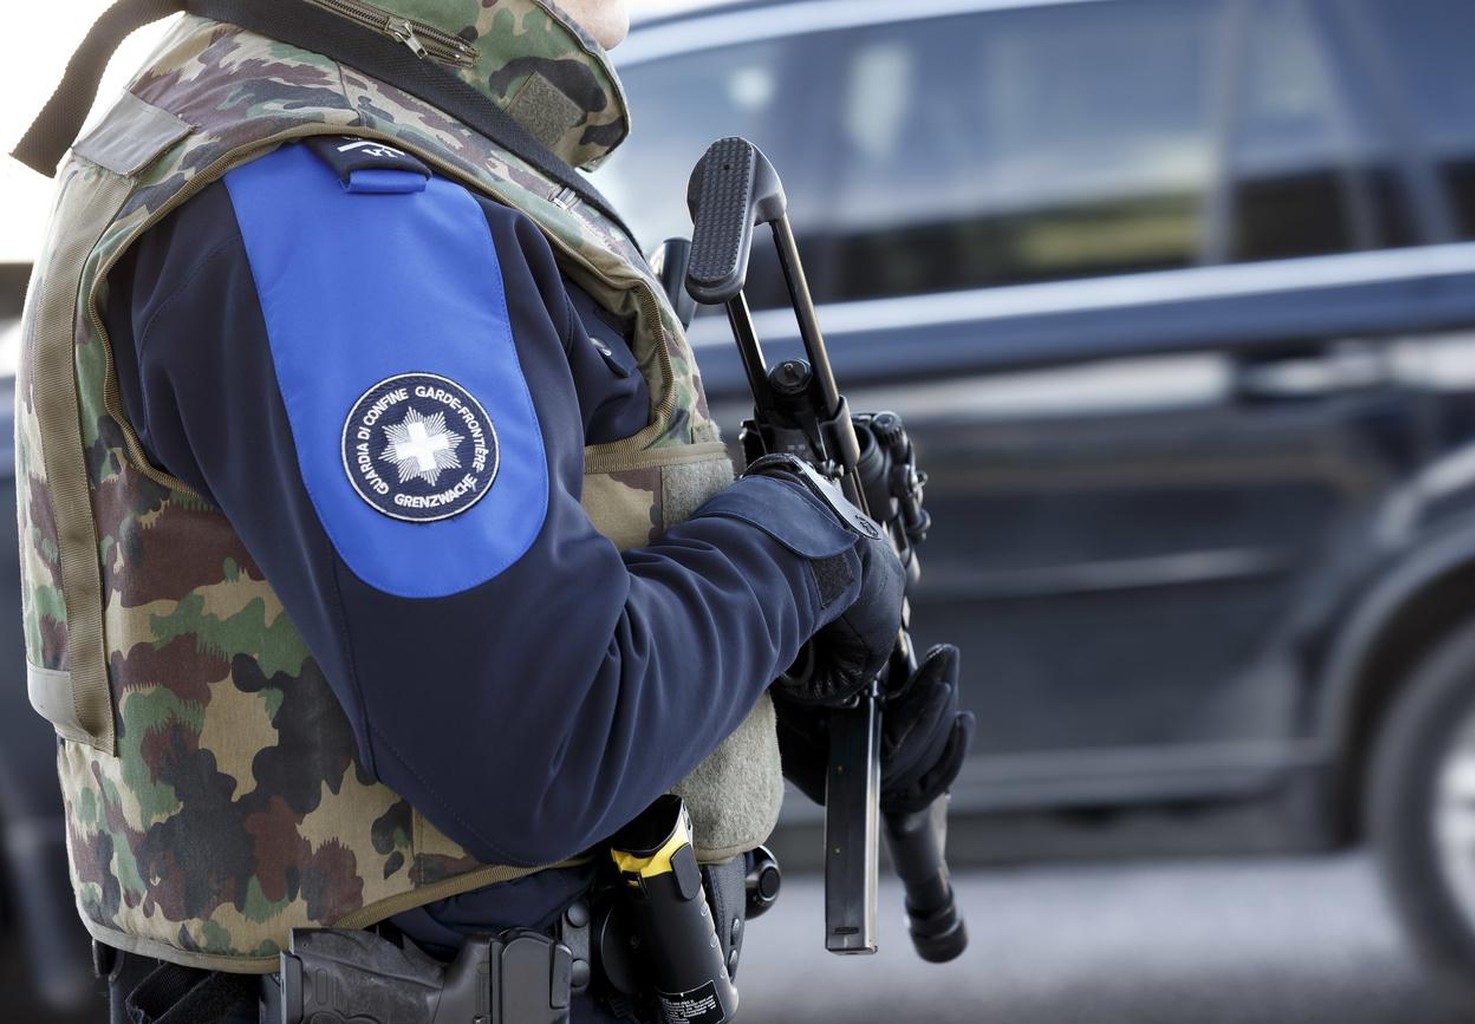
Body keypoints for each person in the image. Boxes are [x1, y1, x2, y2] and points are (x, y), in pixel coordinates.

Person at [11, 0, 972, 1021]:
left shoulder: (317, 104)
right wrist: (791, 550)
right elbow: (539, 743)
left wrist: (755, 643)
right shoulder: (342, 197)